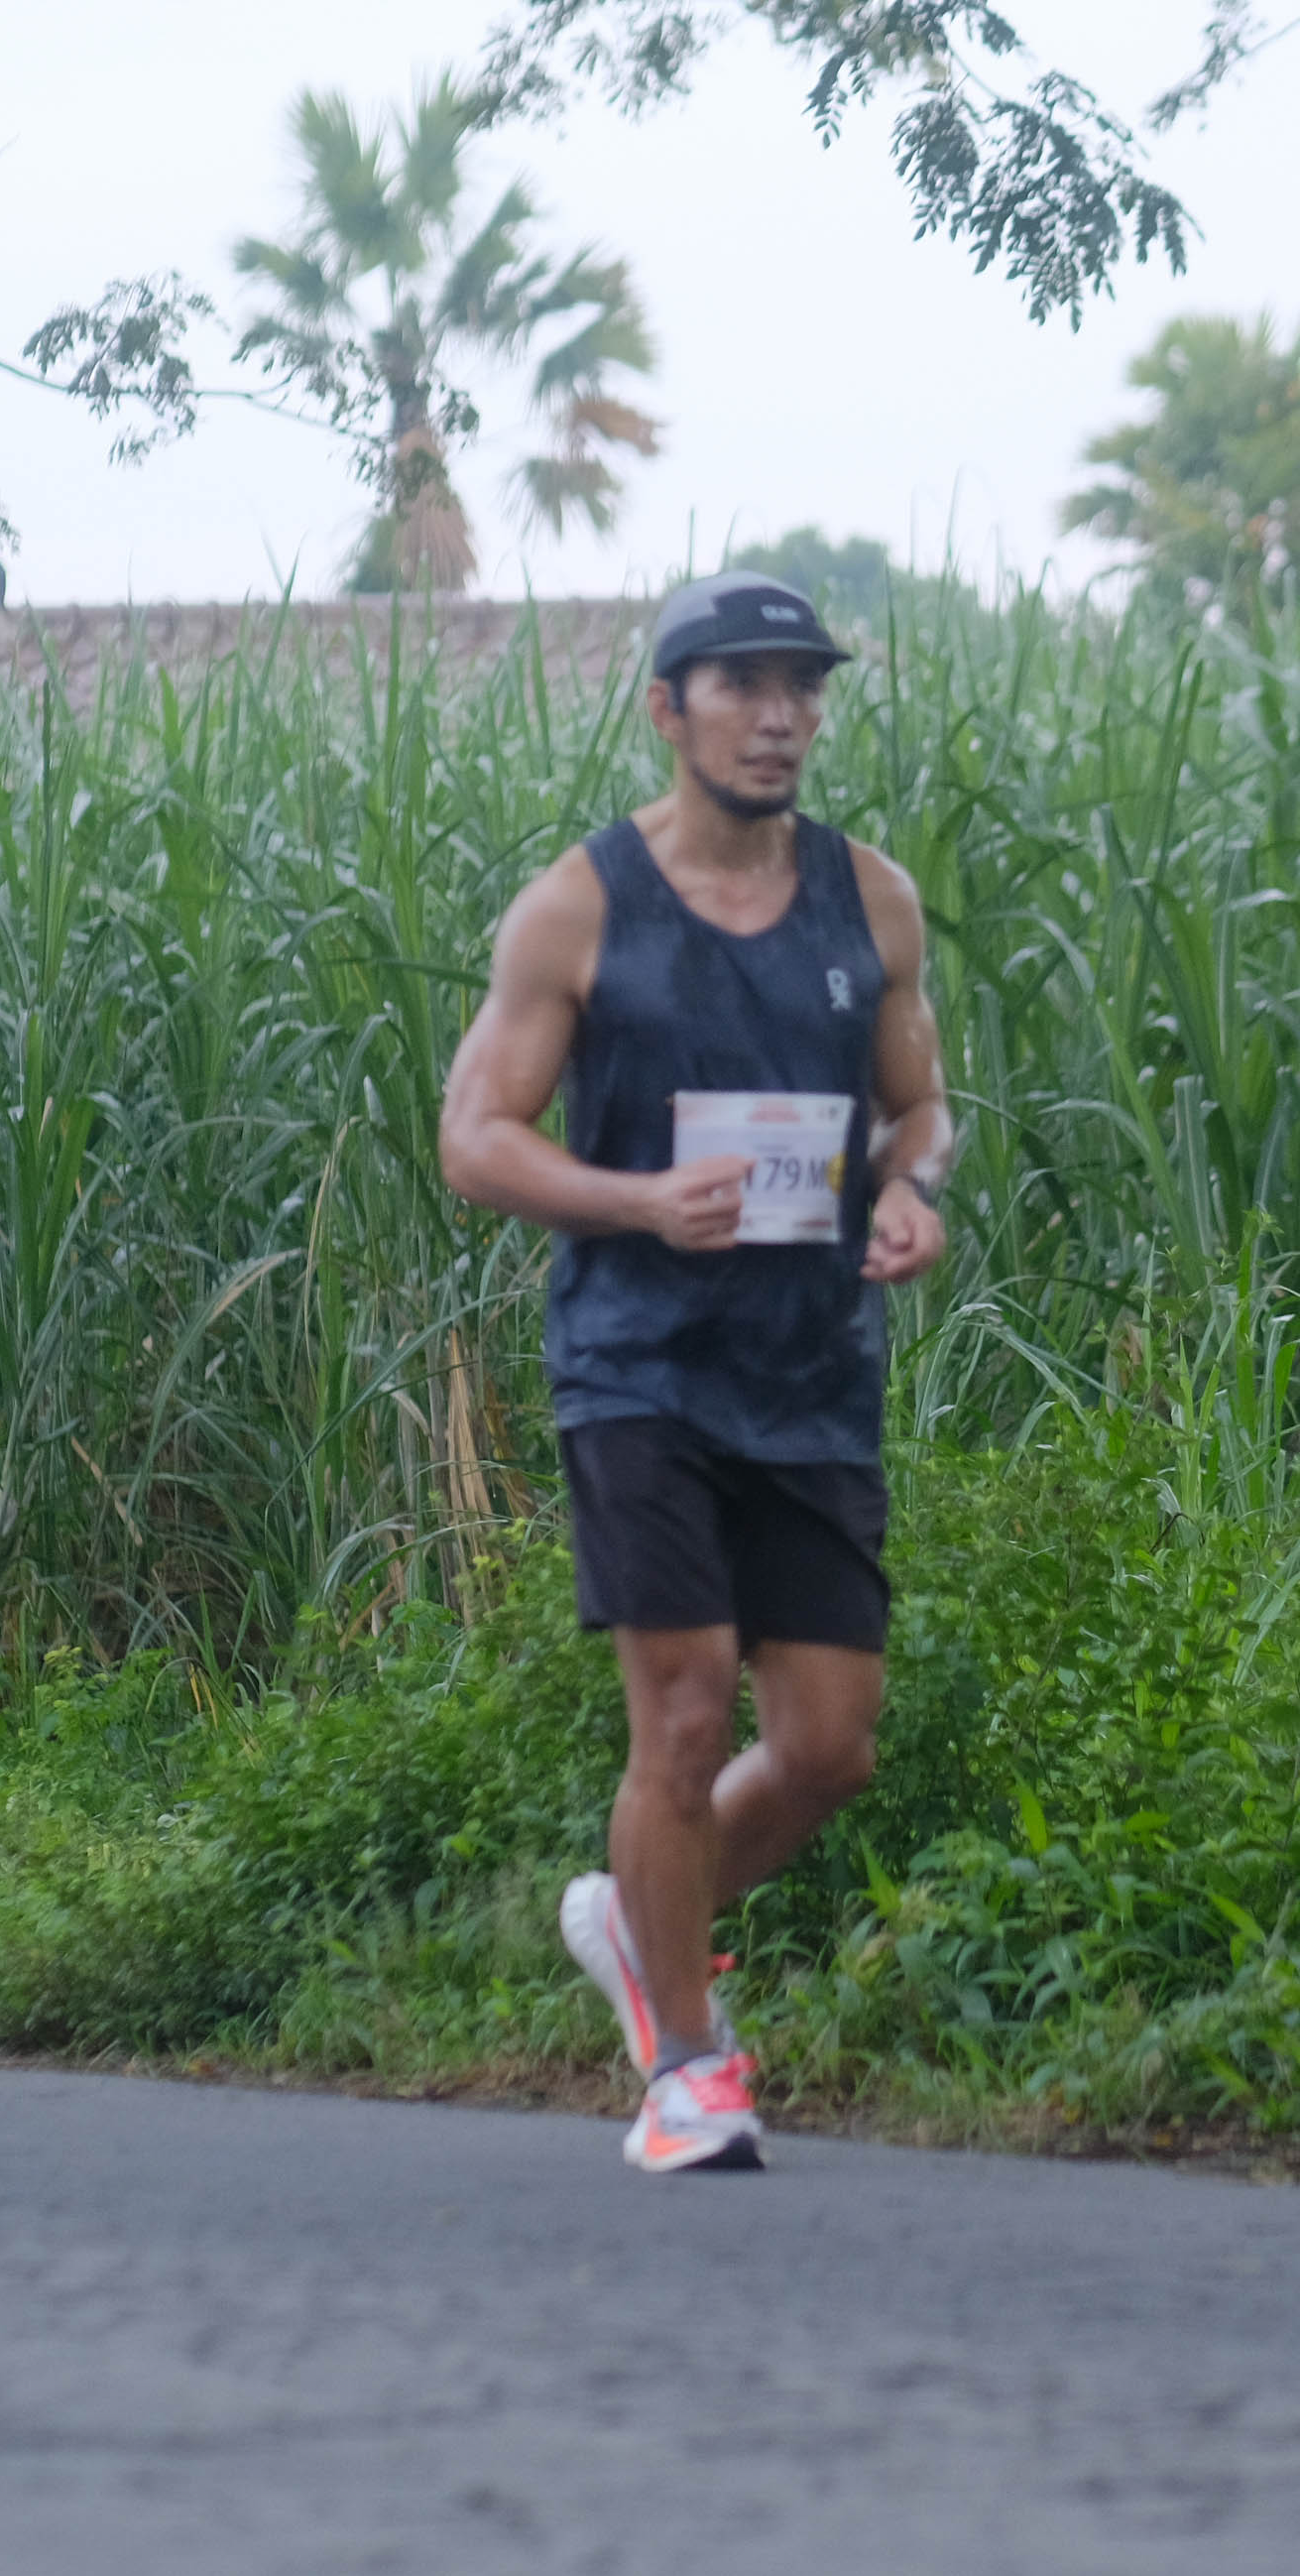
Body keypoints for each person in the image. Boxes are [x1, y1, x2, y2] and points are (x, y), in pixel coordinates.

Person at [437, 570, 958, 2172]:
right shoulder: (579, 907)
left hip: (810, 1371)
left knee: (829, 1748)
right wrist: (640, 1201)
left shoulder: (871, 901)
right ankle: (685, 2068)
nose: (779, 716)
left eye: (802, 687)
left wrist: (909, 1194)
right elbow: (476, 1139)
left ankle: (635, 1917)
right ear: (668, 708)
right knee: (680, 1712)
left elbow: (920, 1111)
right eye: (742, 684)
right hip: (639, 1366)